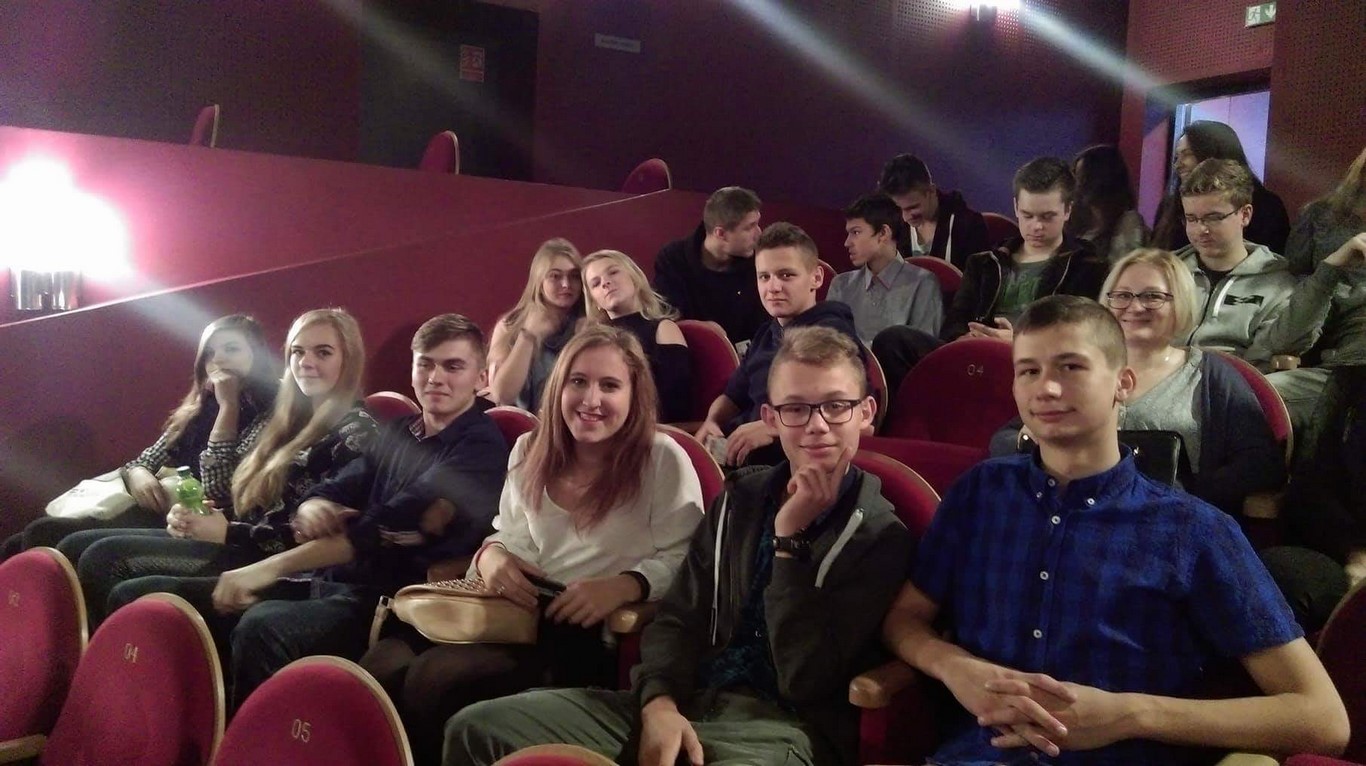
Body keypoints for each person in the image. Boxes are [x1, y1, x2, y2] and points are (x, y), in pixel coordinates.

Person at [884, 295, 1348, 765]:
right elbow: (904, 620)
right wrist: (954, 666)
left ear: (1122, 383)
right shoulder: (980, 493)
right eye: (1028, 371)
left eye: (1070, 367)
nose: (1046, 388)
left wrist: (1131, 715)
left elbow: (1322, 720)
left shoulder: (1191, 529)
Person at [443, 326, 914, 766]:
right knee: (475, 728)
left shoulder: (880, 534)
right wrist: (660, 705)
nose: (817, 425)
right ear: (771, 418)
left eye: (836, 405)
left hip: (782, 727)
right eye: (795, 409)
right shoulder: (742, 498)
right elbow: (679, 616)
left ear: (866, 413)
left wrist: (789, 543)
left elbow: (804, 680)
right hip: (689, 698)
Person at [105, 314, 509, 710]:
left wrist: (265, 568)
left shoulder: (479, 446)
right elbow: (337, 487)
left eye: (452, 366)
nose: (435, 377)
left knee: (261, 628)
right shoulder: (401, 430)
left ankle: (254, 740)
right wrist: (316, 503)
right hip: (332, 579)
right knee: (146, 598)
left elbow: (380, 526)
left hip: (393, 599)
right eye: (425, 364)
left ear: (480, 378)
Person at [360, 325, 704, 764]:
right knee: (382, 664)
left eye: (609, 385)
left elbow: (691, 560)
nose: (591, 399)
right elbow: (510, 533)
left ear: (634, 395)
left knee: (434, 679)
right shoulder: (528, 448)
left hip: (584, 633)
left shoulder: (661, 457)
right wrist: (492, 556)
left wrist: (628, 585)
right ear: (559, 387)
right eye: (578, 381)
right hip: (512, 610)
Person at [63, 308, 377, 624]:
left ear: (348, 360)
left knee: (109, 564)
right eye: (298, 351)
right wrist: (201, 516)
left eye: (323, 352)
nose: (306, 362)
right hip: (240, 538)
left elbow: (332, 538)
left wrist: (228, 530)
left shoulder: (357, 432)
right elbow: (242, 498)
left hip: (275, 563)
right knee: (83, 549)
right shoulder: (287, 418)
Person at [990, 249, 1284, 516]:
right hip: (1072, 513)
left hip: (1173, 520)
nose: (1135, 307)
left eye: (1152, 296)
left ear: (1180, 302)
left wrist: (1183, 494)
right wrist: (1026, 441)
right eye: (1122, 295)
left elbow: (1262, 462)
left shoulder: (1212, 374)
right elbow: (1005, 438)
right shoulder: (1081, 367)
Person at [1, 314, 277, 558]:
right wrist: (139, 474)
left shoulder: (269, 413)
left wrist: (228, 408)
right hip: (162, 509)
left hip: (205, 522)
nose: (218, 359)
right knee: (20, 542)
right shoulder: (200, 408)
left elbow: (219, 491)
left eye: (232, 349)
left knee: (54, 537)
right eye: (209, 353)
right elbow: (143, 461)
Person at [693, 222, 866, 467]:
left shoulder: (833, 331)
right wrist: (712, 421)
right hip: (738, 452)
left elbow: (845, 412)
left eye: (786, 275)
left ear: (816, 278)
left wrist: (771, 426)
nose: (773, 287)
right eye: (764, 277)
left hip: (786, 461)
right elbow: (732, 396)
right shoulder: (765, 333)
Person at [1260, 145, 1366, 441]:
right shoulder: (1325, 223)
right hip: (1342, 370)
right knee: (1250, 396)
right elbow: (1285, 341)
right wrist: (1332, 266)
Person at [1174, 159, 1296, 368]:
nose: (1201, 230)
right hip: (1159, 375)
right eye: (1192, 219)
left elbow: (1259, 362)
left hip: (1229, 380)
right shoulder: (1166, 272)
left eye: (1214, 218)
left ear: (1245, 215)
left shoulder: (1278, 285)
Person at [581, 250, 693, 423]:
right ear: (594, 301)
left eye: (613, 272)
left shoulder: (663, 328)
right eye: (596, 283)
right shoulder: (591, 342)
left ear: (635, 278)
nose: (605, 282)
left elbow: (676, 404)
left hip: (649, 428)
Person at [1153, 120, 1291, 254]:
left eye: (1187, 154)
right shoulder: (1170, 205)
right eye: (1191, 219)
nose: (1178, 164)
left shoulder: (1267, 207)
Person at [653, 186, 767, 347]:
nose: (759, 233)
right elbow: (666, 318)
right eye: (749, 227)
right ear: (720, 233)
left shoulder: (760, 260)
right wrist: (703, 331)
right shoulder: (672, 260)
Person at [827, 193, 943, 344]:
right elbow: (828, 345)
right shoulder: (841, 284)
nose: (847, 242)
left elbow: (922, 351)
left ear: (883, 233)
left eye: (856, 232)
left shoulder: (923, 283)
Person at [486, 238, 584, 410]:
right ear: (539, 281)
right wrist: (528, 336)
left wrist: (585, 339)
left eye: (574, 276)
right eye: (555, 276)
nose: (566, 284)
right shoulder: (510, 325)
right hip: (527, 423)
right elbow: (502, 395)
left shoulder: (590, 322)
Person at [878, 153, 991, 270]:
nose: (905, 218)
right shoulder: (890, 228)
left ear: (931, 191)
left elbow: (982, 278)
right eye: (898, 208)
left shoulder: (970, 225)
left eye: (913, 207)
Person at [1068, 144, 1148, 263]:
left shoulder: (1128, 222)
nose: (1076, 184)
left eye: (1082, 177)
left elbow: (1124, 265)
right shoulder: (1076, 221)